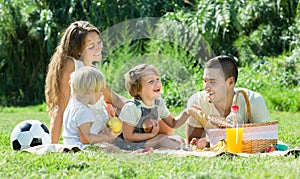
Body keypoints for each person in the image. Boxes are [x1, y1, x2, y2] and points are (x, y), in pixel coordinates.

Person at [45, 21, 125, 144]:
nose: (98, 47)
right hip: (85, 132)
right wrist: (52, 146)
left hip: (99, 127)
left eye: (99, 42)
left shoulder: (92, 70)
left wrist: (137, 108)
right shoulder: (70, 65)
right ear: (78, 51)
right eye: (91, 46)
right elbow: (60, 108)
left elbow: (112, 97)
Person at [186, 55, 270, 149]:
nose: (206, 87)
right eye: (205, 81)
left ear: (230, 82)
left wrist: (212, 142)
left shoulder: (254, 101)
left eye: (212, 82)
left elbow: (266, 140)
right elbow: (192, 143)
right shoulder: (197, 102)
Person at [114, 64, 192, 150]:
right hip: (129, 144)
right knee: (162, 139)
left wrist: (188, 112)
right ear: (138, 90)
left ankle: (182, 147)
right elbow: (128, 137)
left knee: (178, 138)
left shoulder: (158, 103)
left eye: (157, 79)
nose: (157, 83)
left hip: (148, 139)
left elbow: (173, 123)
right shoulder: (132, 107)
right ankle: (184, 150)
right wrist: (151, 135)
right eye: (151, 81)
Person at [62, 66, 119, 148]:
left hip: (69, 144)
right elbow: (86, 139)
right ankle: (132, 154)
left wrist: (104, 133)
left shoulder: (73, 104)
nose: (101, 94)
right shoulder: (83, 111)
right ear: (91, 90)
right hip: (78, 146)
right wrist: (107, 137)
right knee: (111, 149)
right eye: (100, 90)